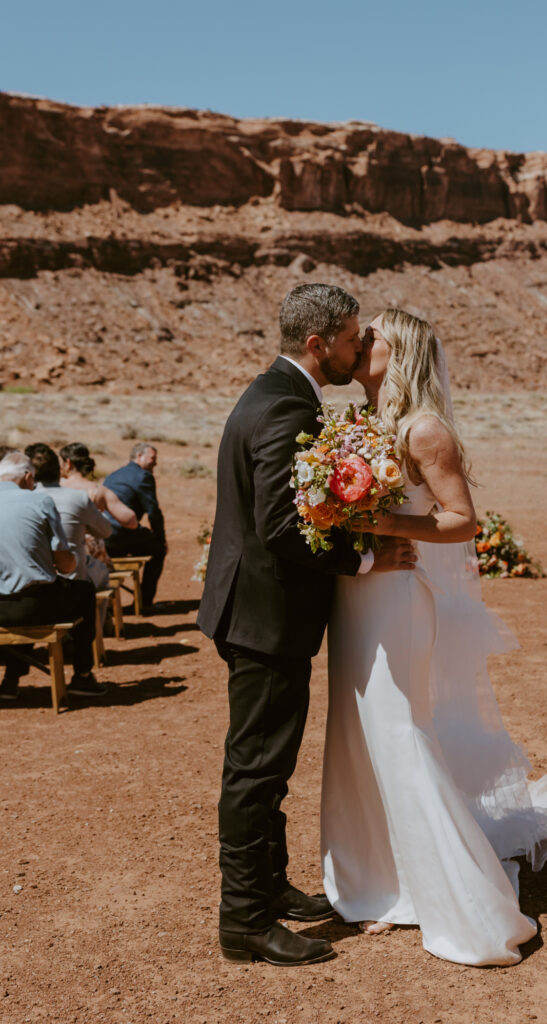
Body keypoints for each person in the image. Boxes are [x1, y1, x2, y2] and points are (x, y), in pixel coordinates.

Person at [321, 308, 547, 966]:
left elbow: (460, 521)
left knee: (400, 731)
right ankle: (383, 880)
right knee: (358, 734)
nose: (358, 343)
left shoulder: (422, 429)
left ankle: (457, 901)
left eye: (370, 336)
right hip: (357, 595)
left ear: (395, 352)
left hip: (399, 596)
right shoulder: (358, 425)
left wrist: (390, 534)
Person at [197, 284, 415, 968]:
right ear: (317, 343)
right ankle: (244, 922)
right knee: (256, 768)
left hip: (258, 610)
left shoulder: (269, 392)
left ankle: (269, 888)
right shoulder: (284, 405)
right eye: (353, 338)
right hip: (266, 615)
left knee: (267, 762)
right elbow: (280, 524)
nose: (359, 348)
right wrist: (361, 558)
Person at [0, 452, 105, 700]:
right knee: (83, 591)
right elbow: (66, 565)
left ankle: (11, 680)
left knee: (21, 589)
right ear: (27, 477)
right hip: (35, 605)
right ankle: (82, 675)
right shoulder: (40, 502)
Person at [25, 443, 112, 589]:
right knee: (102, 572)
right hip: (73, 579)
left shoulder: (25, 500)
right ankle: (100, 611)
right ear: (59, 469)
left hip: (35, 580)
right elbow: (106, 531)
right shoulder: (79, 498)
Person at [103, 443, 167, 612]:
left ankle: (110, 605)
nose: (155, 463)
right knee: (158, 549)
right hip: (122, 533)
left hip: (105, 537)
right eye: (152, 458)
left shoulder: (114, 475)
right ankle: (144, 602)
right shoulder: (143, 476)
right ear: (139, 456)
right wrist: (161, 538)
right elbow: (153, 511)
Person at [59, 443, 137, 530]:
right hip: (87, 542)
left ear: (68, 463)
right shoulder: (99, 491)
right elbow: (130, 521)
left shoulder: (55, 487)